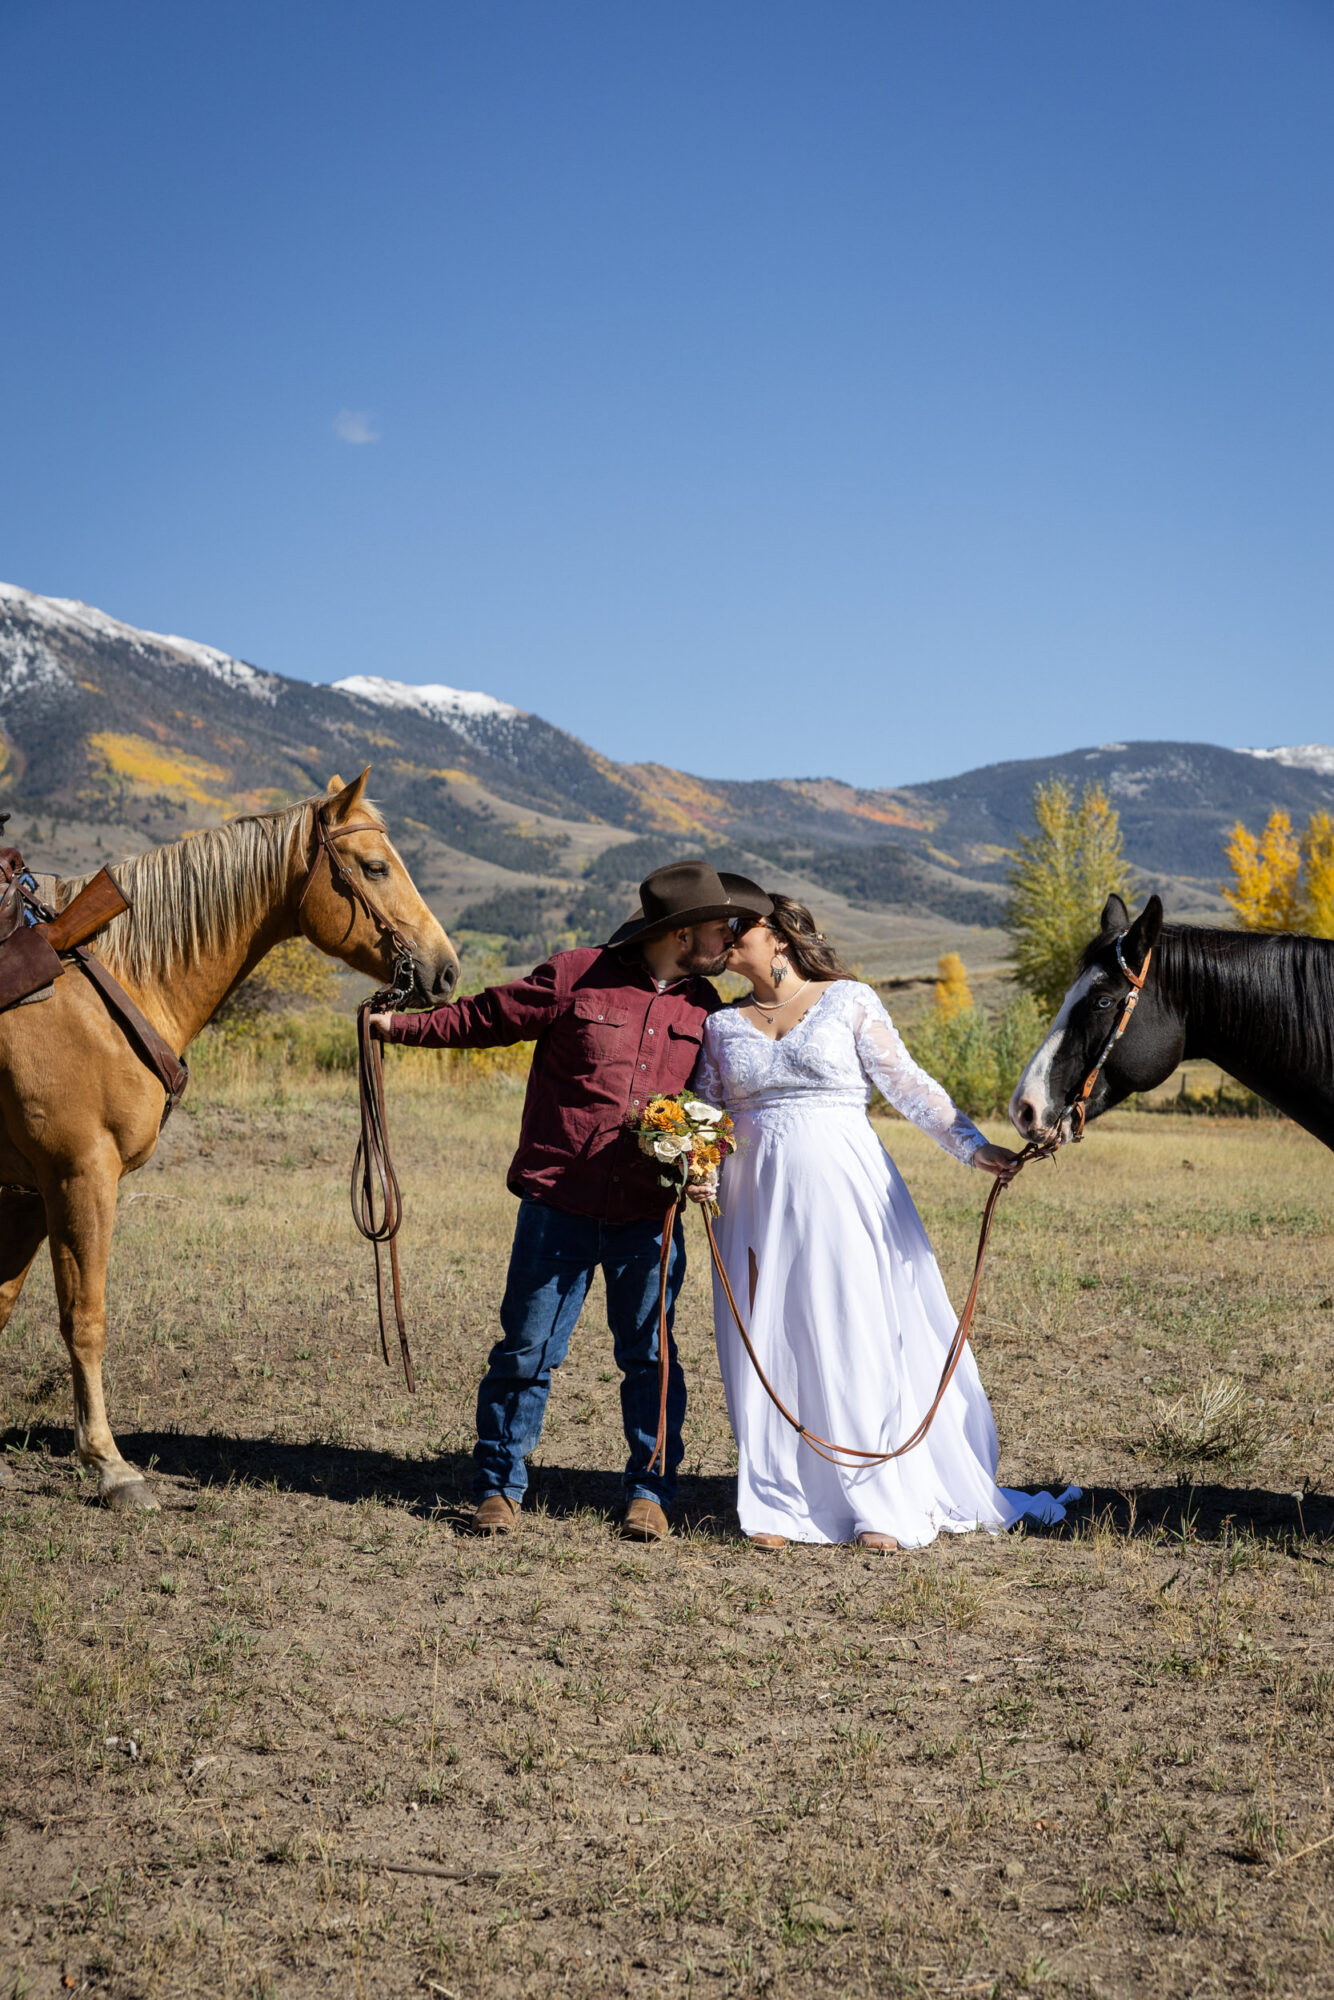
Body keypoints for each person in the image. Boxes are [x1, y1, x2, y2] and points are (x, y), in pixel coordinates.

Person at [368, 859, 771, 1542]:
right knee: (525, 1351)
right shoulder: (576, 973)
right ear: (680, 934)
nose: (728, 938)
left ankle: (650, 1489)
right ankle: (498, 1485)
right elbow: (487, 1017)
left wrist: (705, 1161)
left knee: (651, 1357)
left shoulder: (707, 1011)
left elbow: (714, 1104)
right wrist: (394, 1029)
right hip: (558, 1202)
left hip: (651, 1216)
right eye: (718, 926)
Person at [692, 882, 1080, 1551]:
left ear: (777, 935)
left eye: (737, 926)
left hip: (845, 1193)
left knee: (852, 1329)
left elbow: (906, 1083)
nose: (724, 938)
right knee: (772, 1335)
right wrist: (697, 1165)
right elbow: (706, 1115)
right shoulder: (720, 1025)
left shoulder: (846, 1001)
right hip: (754, 1203)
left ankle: (877, 1501)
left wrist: (970, 1145)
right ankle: (781, 1503)